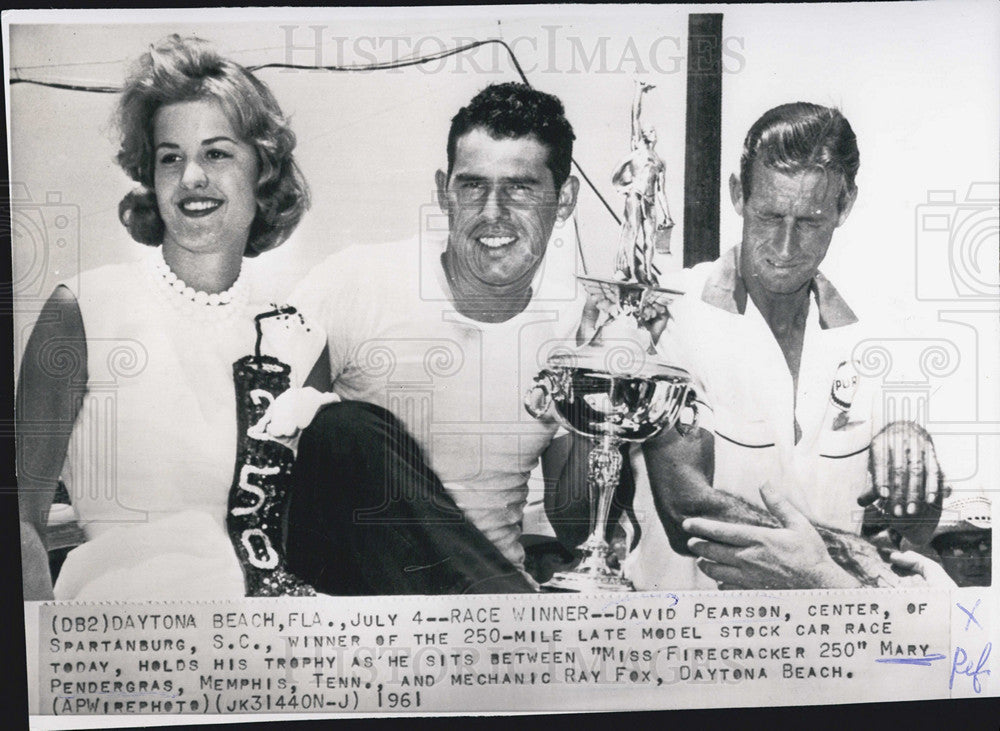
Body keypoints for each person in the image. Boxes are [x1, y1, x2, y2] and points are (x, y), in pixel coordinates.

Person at [581, 102, 944, 589]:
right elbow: (684, 509)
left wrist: (915, 460)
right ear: (738, 193)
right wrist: (847, 556)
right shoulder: (669, 314)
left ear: (845, 204)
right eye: (770, 216)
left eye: (810, 222)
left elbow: (916, 525)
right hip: (688, 647)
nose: (786, 247)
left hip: (832, 650)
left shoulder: (875, 338)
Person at [16, 35, 326, 601]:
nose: (191, 178)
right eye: (171, 157)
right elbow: (21, 520)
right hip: (118, 647)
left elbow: (308, 535)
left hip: (263, 647)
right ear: (150, 178)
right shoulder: (82, 312)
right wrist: (41, 665)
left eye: (217, 153)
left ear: (262, 172)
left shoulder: (299, 336)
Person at [282, 82, 584, 594]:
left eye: (521, 188)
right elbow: (275, 452)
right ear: (445, 190)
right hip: (364, 600)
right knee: (342, 427)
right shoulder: (359, 282)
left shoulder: (569, 328)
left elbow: (577, 524)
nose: (493, 212)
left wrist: (602, 386)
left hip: (488, 617)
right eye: (472, 186)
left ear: (565, 200)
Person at [612, 81, 674, 283]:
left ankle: (647, 272)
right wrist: (639, 91)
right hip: (635, 196)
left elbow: (661, 191)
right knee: (633, 232)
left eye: (654, 131)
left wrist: (668, 215)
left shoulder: (659, 161)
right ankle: (630, 271)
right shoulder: (638, 147)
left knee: (650, 239)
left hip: (650, 201)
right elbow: (635, 117)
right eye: (650, 131)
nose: (652, 133)